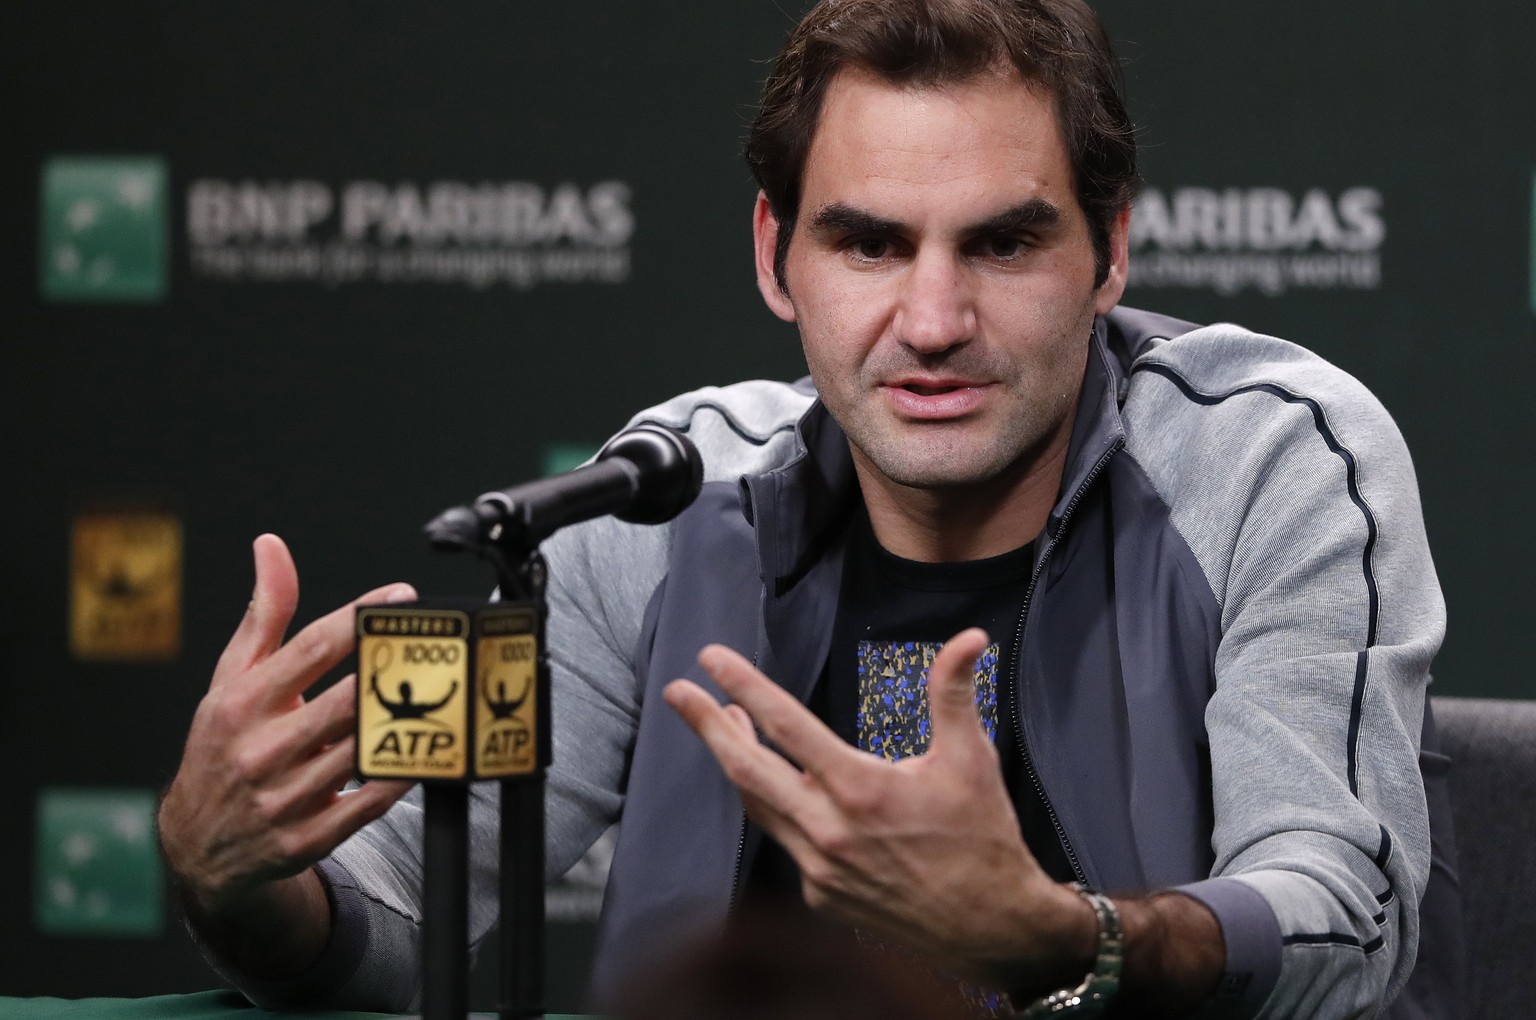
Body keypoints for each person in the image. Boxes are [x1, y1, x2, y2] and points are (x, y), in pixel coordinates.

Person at [157, 1, 1459, 1016]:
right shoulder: (663, 495)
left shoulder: (1276, 457)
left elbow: (1342, 916)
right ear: (776, 254)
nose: (934, 323)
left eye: (1003, 243)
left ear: (1110, 252)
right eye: (871, 243)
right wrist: (239, 878)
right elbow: (396, 921)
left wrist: (1067, 937)